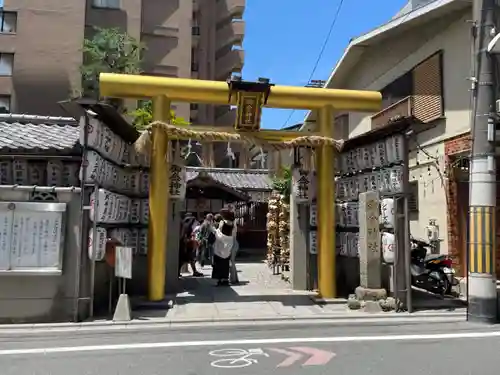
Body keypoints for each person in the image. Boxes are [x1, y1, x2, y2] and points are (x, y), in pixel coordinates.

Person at [212, 211, 237, 286]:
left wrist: (214, 231)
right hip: (229, 243)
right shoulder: (234, 223)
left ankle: (219, 279)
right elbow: (234, 234)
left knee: (218, 262)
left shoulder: (222, 222)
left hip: (220, 243)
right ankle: (225, 279)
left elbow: (219, 231)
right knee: (226, 262)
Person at [179, 213, 203, 277]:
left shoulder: (184, 223)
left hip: (185, 244)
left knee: (186, 258)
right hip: (187, 244)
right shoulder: (189, 224)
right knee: (188, 258)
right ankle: (194, 271)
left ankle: (193, 271)